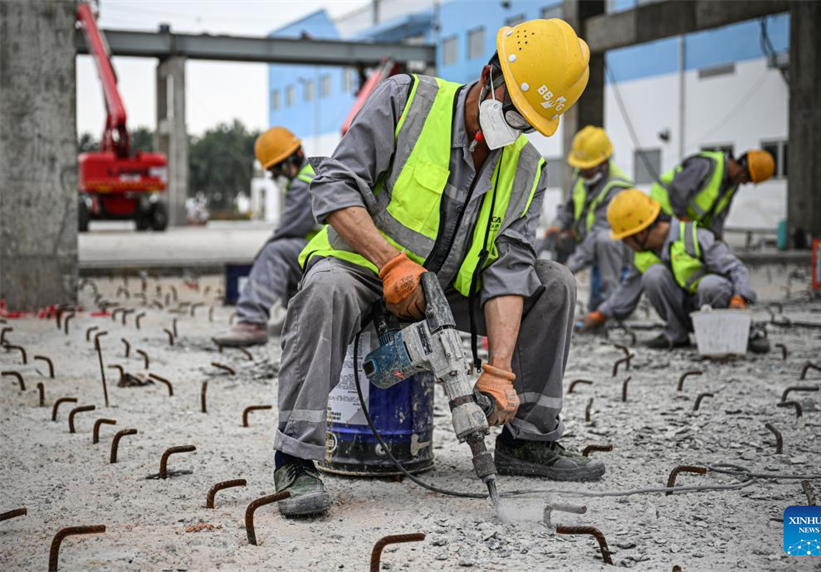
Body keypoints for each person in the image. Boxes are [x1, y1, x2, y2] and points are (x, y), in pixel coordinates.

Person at [272, 19, 604, 518]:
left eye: (527, 123)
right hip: (363, 267)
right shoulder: (406, 101)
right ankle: (295, 459)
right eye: (512, 112)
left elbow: (510, 268)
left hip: (447, 290)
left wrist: (498, 371)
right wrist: (390, 263)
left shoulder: (527, 168)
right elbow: (335, 185)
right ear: (490, 75)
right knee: (325, 291)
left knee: (553, 281)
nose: (513, 128)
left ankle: (528, 441)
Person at [577, 189, 769, 353]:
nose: (625, 244)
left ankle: (741, 335)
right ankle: (676, 335)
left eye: (626, 238)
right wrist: (601, 314)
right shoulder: (645, 255)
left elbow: (736, 269)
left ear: (641, 233)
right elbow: (627, 289)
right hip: (687, 313)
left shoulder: (695, 237)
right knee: (653, 275)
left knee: (710, 285)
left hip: (716, 307)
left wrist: (741, 298)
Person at [212, 127, 319, 347]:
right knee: (288, 254)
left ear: (290, 160)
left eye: (275, 171)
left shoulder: (303, 184)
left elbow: (291, 228)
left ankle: (251, 321)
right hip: (324, 250)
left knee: (276, 253)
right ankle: (297, 319)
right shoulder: (309, 176)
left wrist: (264, 252)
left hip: (326, 252)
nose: (275, 177)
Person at [551, 125, 632, 309]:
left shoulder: (617, 188)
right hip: (589, 241)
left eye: (587, 168)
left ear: (603, 163)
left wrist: (568, 268)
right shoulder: (582, 178)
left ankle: (613, 308)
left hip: (619, 250)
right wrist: (557, 226)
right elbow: (568, 209)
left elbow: (598, 234)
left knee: (605, 240)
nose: (582, 172)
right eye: (580, 167)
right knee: (553, 242)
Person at [650, 149, 775, 239]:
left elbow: (718, 216)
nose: (744, 184)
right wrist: (684, 220)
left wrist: (717, 238)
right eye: (747, 180)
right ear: (742, 170)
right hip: (661, 208)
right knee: (664, 253)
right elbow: (677, 191)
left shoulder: (731, 186)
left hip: (680, 218)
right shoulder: (706, 165)